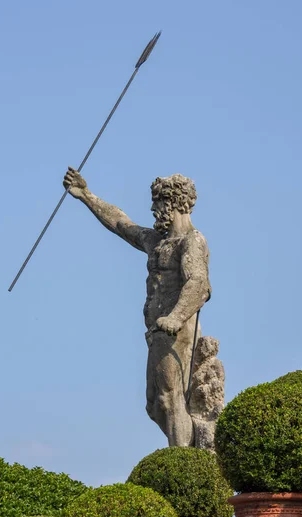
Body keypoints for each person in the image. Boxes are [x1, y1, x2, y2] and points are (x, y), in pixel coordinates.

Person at [63, 168, 211, 446]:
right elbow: (121, 224)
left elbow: (199, 285)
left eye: (159, 203)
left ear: (176, 203)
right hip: (157, 332)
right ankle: (188, 449)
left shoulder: (191, 241)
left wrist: (176, 318)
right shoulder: (158, 241)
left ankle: (183, 462)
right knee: (154, 405)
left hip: (176, 332)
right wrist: (86, 195)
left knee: (170, 398)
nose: (154, 209)